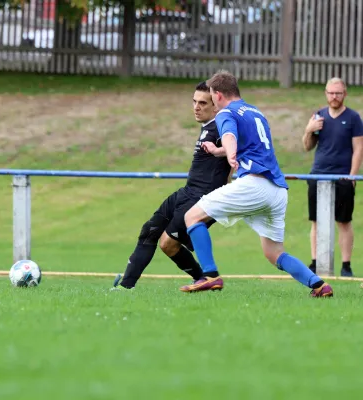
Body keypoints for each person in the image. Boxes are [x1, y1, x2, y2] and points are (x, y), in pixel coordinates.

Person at [180, 70, 333, 297]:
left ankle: (210, 277)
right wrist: (219, 151)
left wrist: (230, 153)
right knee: (273, 252)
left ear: (219, 94)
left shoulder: (224, 113)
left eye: (211, 96)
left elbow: (230, 136)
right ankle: (319, 285)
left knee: (191, 217)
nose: (211, 101)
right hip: (277, 190)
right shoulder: (255, 112)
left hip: (254, 184)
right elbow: (251, 146)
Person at [112, 81, 231, 290]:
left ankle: (207, 277)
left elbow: (237, 150)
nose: (196, 107)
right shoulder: (207, 127)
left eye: (203, 103)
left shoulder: (223, 126)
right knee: (150, 231)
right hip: (186, 191)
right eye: (194, 102)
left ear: (216, 105)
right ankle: (124, 287)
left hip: (201, 197)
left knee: (167, 243)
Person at [302, 77, 363, 277]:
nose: (334, 97)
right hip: (318, 174)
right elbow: (307, 146)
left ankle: (346, 266)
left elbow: (358, 148)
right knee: (316, 221)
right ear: (326, 94)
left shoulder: (353, 118)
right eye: (330, 93)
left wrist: (352, 176)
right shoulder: (318, 116)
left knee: (344, 221)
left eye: (338, 93)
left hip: (342, 177)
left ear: (344, 94)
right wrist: (308, 130)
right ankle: (315, 262)